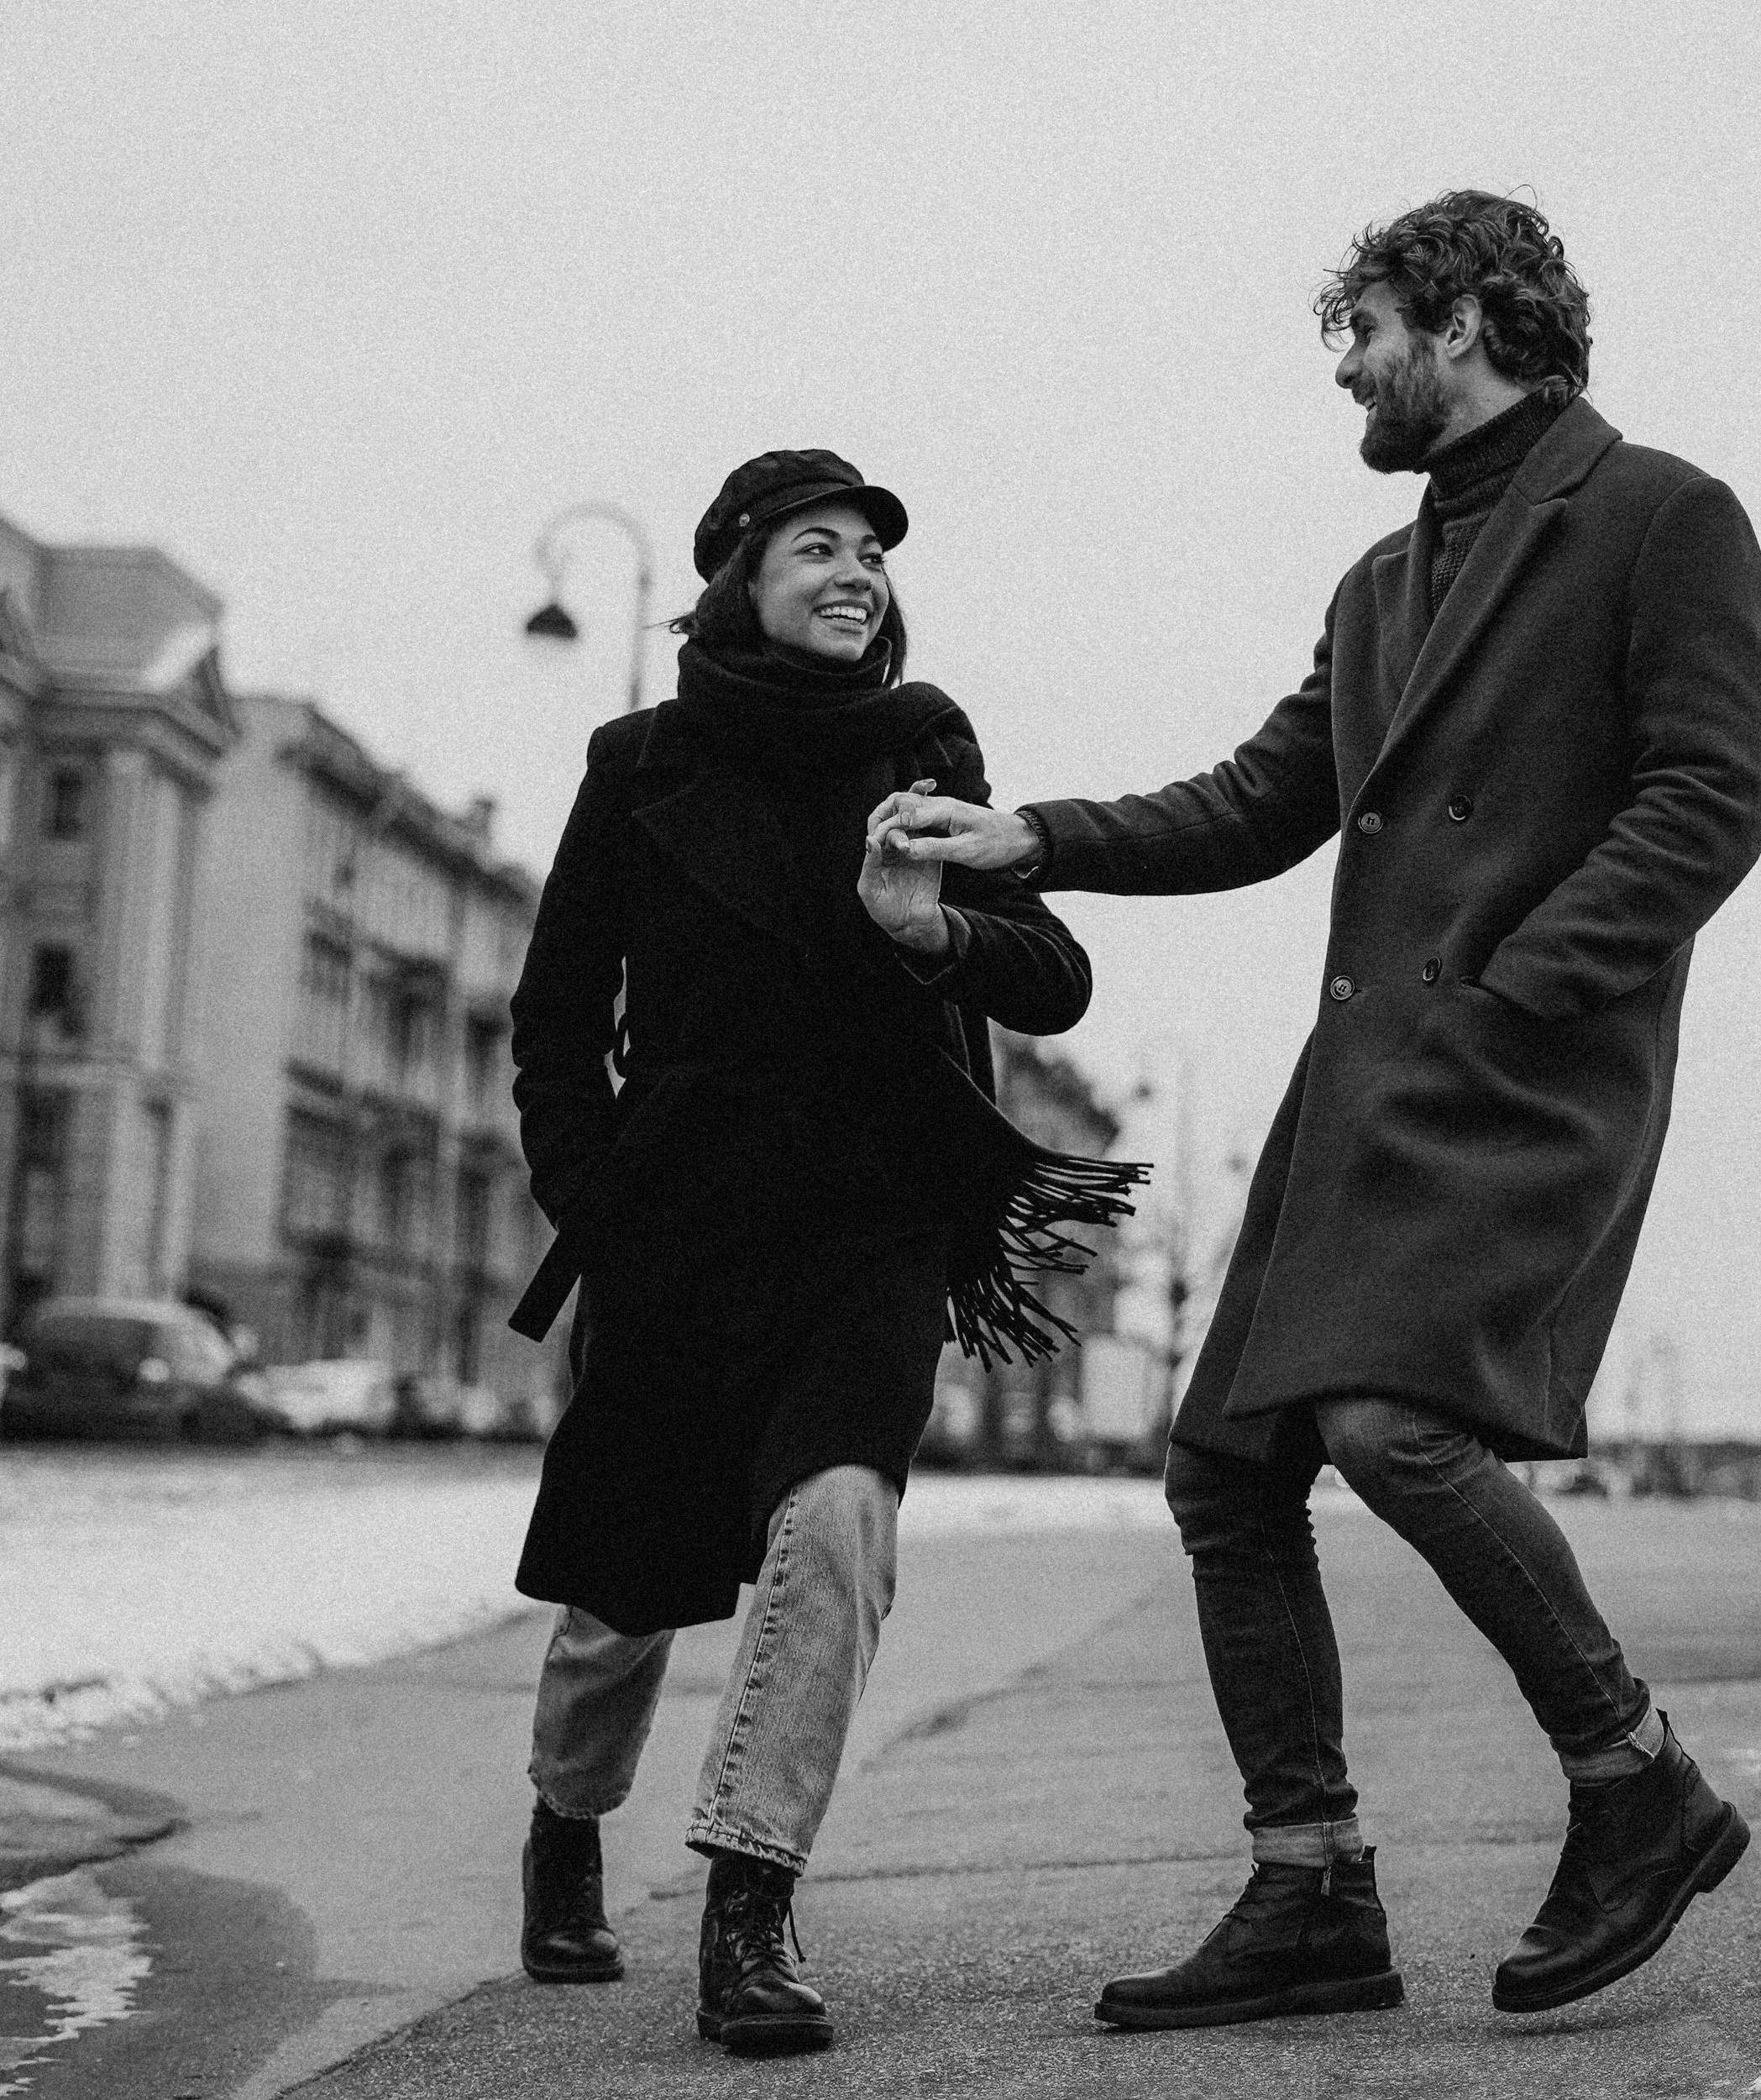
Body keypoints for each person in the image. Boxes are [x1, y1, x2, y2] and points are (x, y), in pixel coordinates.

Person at [871, 191, 1761, 2029]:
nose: (1346, 372)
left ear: (1462, 319)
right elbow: (1258, 800)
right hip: (1365, 1086)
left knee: (1391, 1424)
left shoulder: (1662, 516)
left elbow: (1708, 796)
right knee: (1223, 1469)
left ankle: (1635, 1777)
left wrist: (1518, 984)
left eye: (1362, 331)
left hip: (1520, 1074)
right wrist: (1030, 839)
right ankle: (1309, 1887)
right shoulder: (1381, 582)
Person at [504, 449, 1141, 2057]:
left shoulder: (924, 745)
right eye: (817, 546)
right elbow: (558, 1012)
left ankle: (751, 1898)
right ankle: (567, 1825)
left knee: (841, 1522)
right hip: (681, 1216)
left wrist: (932, 928)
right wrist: (594, 1194)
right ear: (738, 576)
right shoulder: (639, 761)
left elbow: (1052, 973)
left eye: (870, 549)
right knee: (622, 1581)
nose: (855, 571)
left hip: (873, 1211)